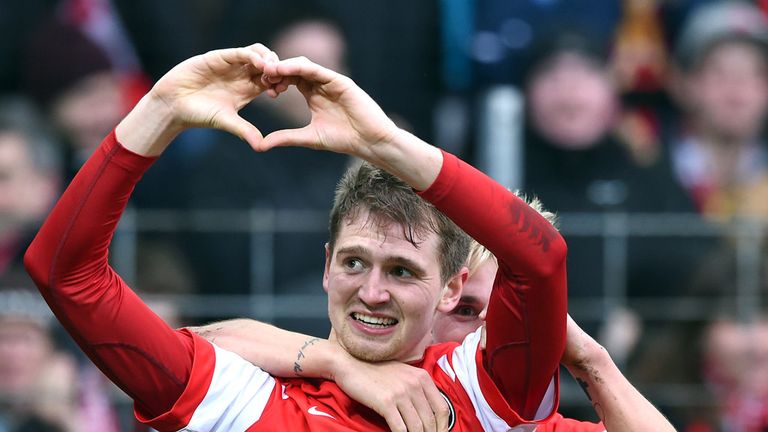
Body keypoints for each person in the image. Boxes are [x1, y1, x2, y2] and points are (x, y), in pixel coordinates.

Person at [24, 43, 567, 431]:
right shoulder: (239, 397)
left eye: (402, 270)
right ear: (327, 265)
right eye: (355, 263)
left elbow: (541, 257)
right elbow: (64, 274)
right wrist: (161, 111)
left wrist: (386, 142)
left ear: (453, 289)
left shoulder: (482, 393)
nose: (372, 292)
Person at [195, 238, 676, 432]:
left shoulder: (540, 426)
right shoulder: (323, 390)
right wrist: (339, 362)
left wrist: (590, 359)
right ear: (437, 295)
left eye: (508, 322)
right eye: (468, 310)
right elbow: (196, 341)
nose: (491, 337)